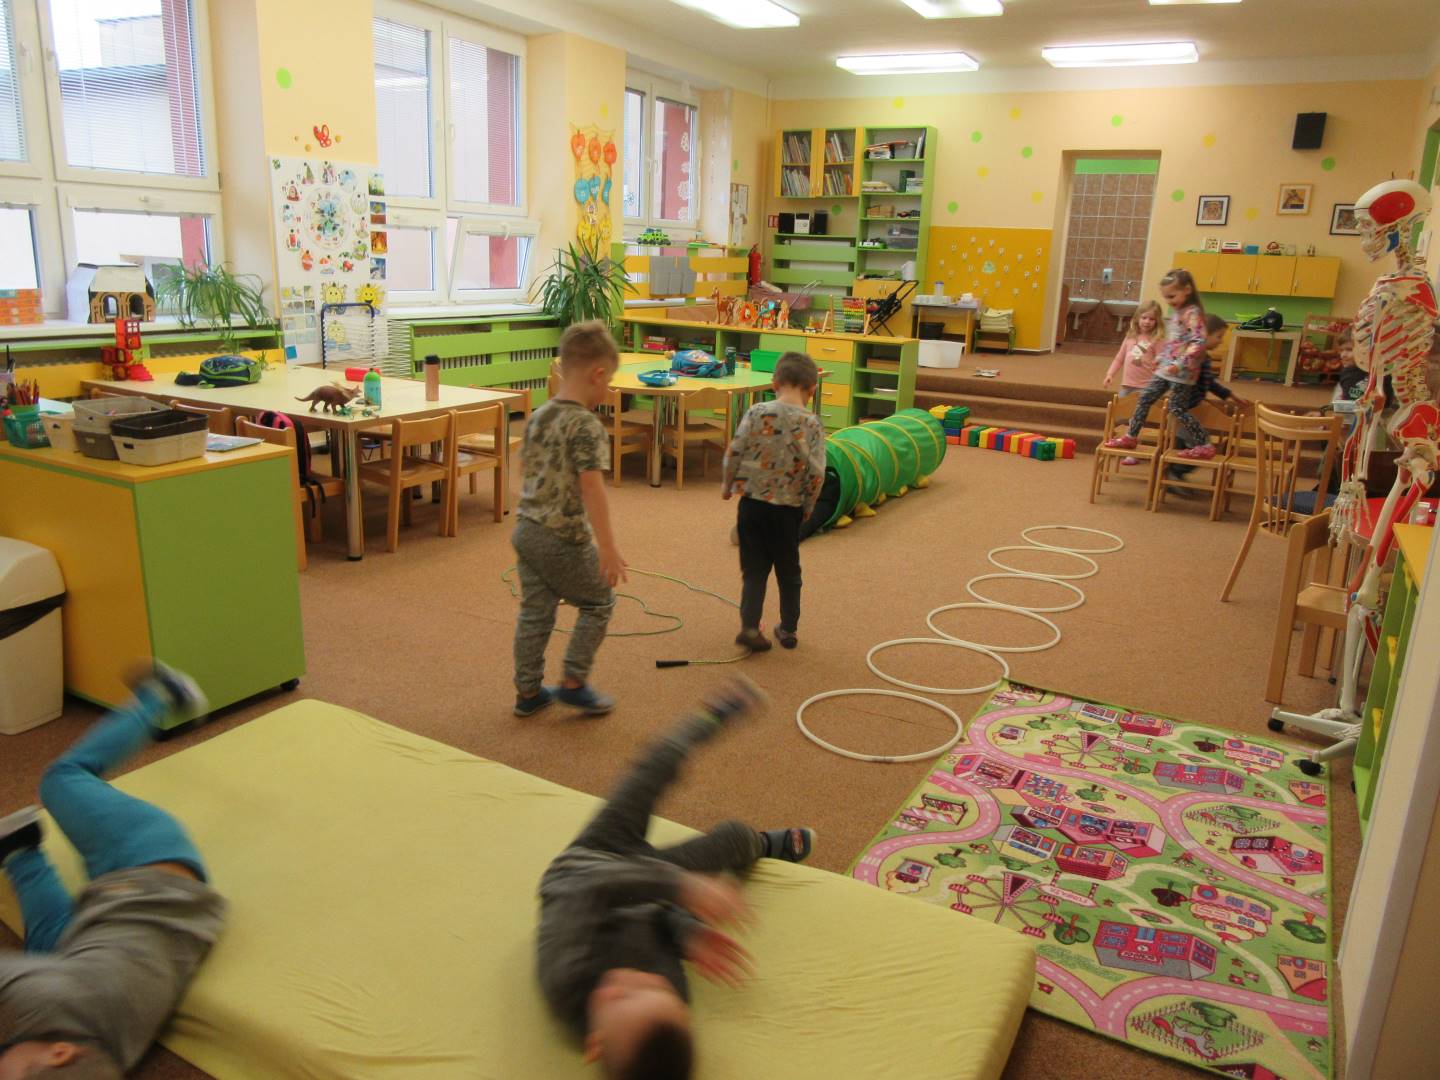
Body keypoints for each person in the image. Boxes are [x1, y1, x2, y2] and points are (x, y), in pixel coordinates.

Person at [535, 676, 814, 1080]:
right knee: (736, 837)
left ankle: (710, 715)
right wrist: (689, 934)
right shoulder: (671, 998)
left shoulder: (566, 980)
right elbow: (659, 918)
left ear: (595, 1044)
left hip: (591, 860)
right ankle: (762, 844)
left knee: (650, 772)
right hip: (650, 890)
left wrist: (682, 887)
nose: (633, 979)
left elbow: (587, 887)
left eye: (621, 997)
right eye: (656, 987)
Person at [0, 664, 224, 1080]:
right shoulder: (50, 999)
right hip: (145, 854)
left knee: (48, 948)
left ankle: (19, 848)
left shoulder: (111, 1059)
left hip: (133, 916)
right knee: (61, 778)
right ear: (60, 1053)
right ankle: (162, 696)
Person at [511, 320, 626, 719]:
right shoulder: (587, 425)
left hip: (526, 531)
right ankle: (574, 683)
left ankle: (528, 691)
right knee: (599, 601)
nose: (608, 389)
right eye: (609, 381)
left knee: (536, 613)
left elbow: (524, 467)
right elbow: (592, 488)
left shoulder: (538, 415)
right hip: (562, 537)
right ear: (597, 374)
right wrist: (607, 548)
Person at [721, 352, 827, 652]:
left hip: (752, 507)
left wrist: (727, 485)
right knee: (789, 572)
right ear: (812, 390)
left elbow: (735, 451)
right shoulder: (812, 424)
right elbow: (817, 473)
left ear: (774, 383)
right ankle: (788, 629)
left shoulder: (756, 412)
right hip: (787, 511)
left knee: (754, 571)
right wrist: (808, 506)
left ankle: (750, 628)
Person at [1103, 269, 1215, 461]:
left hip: (1182, 373)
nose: (1169, 301)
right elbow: (1174, 343)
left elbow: (1198, 341)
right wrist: (1161, 358)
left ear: (1187, 290)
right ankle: (1131, 436)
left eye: (1172, 296)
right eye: (1166, 297)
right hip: (1166, 369)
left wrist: (1180, 364)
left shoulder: (1193, 313)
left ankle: (1205, 444)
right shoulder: (1178, 312)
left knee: (1176, 408)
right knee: (1145, 398)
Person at [1167, 313, 1247, 490]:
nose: (1221, 341)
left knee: (1189, 446)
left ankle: (1173, 475)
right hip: (1185, 411)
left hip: (1192, 410)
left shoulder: (1202, 357)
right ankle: (1173, 474)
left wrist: (1229, 394)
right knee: (1202, 445)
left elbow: (1208, 382)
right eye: (1219, 336)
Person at [1103, 298, 1163, 467]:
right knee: (1122, 415)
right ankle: (1125, 443)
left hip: (1146, 387)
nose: (1147, 322)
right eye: (1144, 317)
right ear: (1137, 318)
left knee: (1137, 419)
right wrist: (1110, 374)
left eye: (1152, 319)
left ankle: (1132, 452)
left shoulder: (1157, 339)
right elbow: (1119, 358)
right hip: (1127, 385)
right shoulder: (1131, 337)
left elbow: (1162, 360)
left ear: (1157, 321)